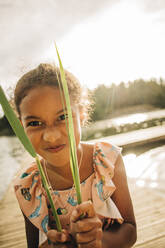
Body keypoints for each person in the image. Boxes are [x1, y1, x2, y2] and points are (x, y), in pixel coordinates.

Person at [13, 63, 137, 248]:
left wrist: (98, 242)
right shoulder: (30, 186)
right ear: (22, 127)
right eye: (35, 122)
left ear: (81, 114)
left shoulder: (106, 160)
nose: (51, 136)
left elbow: (130, 230)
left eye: (63, 117)